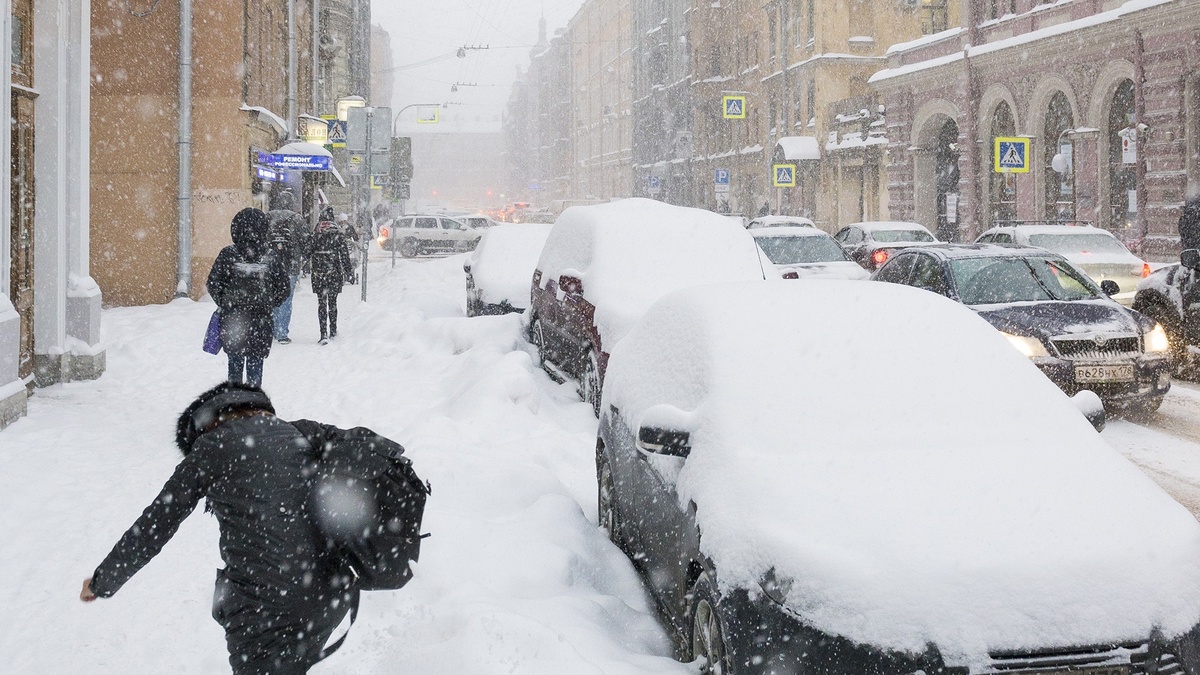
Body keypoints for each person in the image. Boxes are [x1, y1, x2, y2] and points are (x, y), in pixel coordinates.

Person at [80, 383, 359, 674]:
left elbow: (155, 524)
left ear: (205, 425)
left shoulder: (212, 447)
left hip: (263, 607)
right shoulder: (297, 434)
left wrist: (102, 581)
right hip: (327, 596)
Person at [206, 208, 290, 387]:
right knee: (255, 366)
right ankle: (252, 407)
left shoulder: (228, 254)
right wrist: (268, 302)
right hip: (261, 322)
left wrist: (226, 302)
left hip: (233, 321)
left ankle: (234, 407)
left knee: (234, 367)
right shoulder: (271, 256)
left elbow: (213, 283)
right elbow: (283, 288)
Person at [268, 191, 310, 344]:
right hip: (290, 266)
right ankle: (281, 332)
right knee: (286, 299)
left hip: (270, 267)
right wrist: (304, 259)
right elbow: (306, 242)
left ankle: (270, 328)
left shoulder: (268, 217)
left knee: (271, 297)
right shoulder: (297, 219)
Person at [309, 207, 354, 344]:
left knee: (321, 303)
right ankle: (333, 330)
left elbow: (307, 252)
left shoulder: (316, 234)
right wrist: (348, 271)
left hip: (319, 274)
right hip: (334, 273)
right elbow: (344, 255)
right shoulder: (338, 234)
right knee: (333, 303)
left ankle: (323, 333)